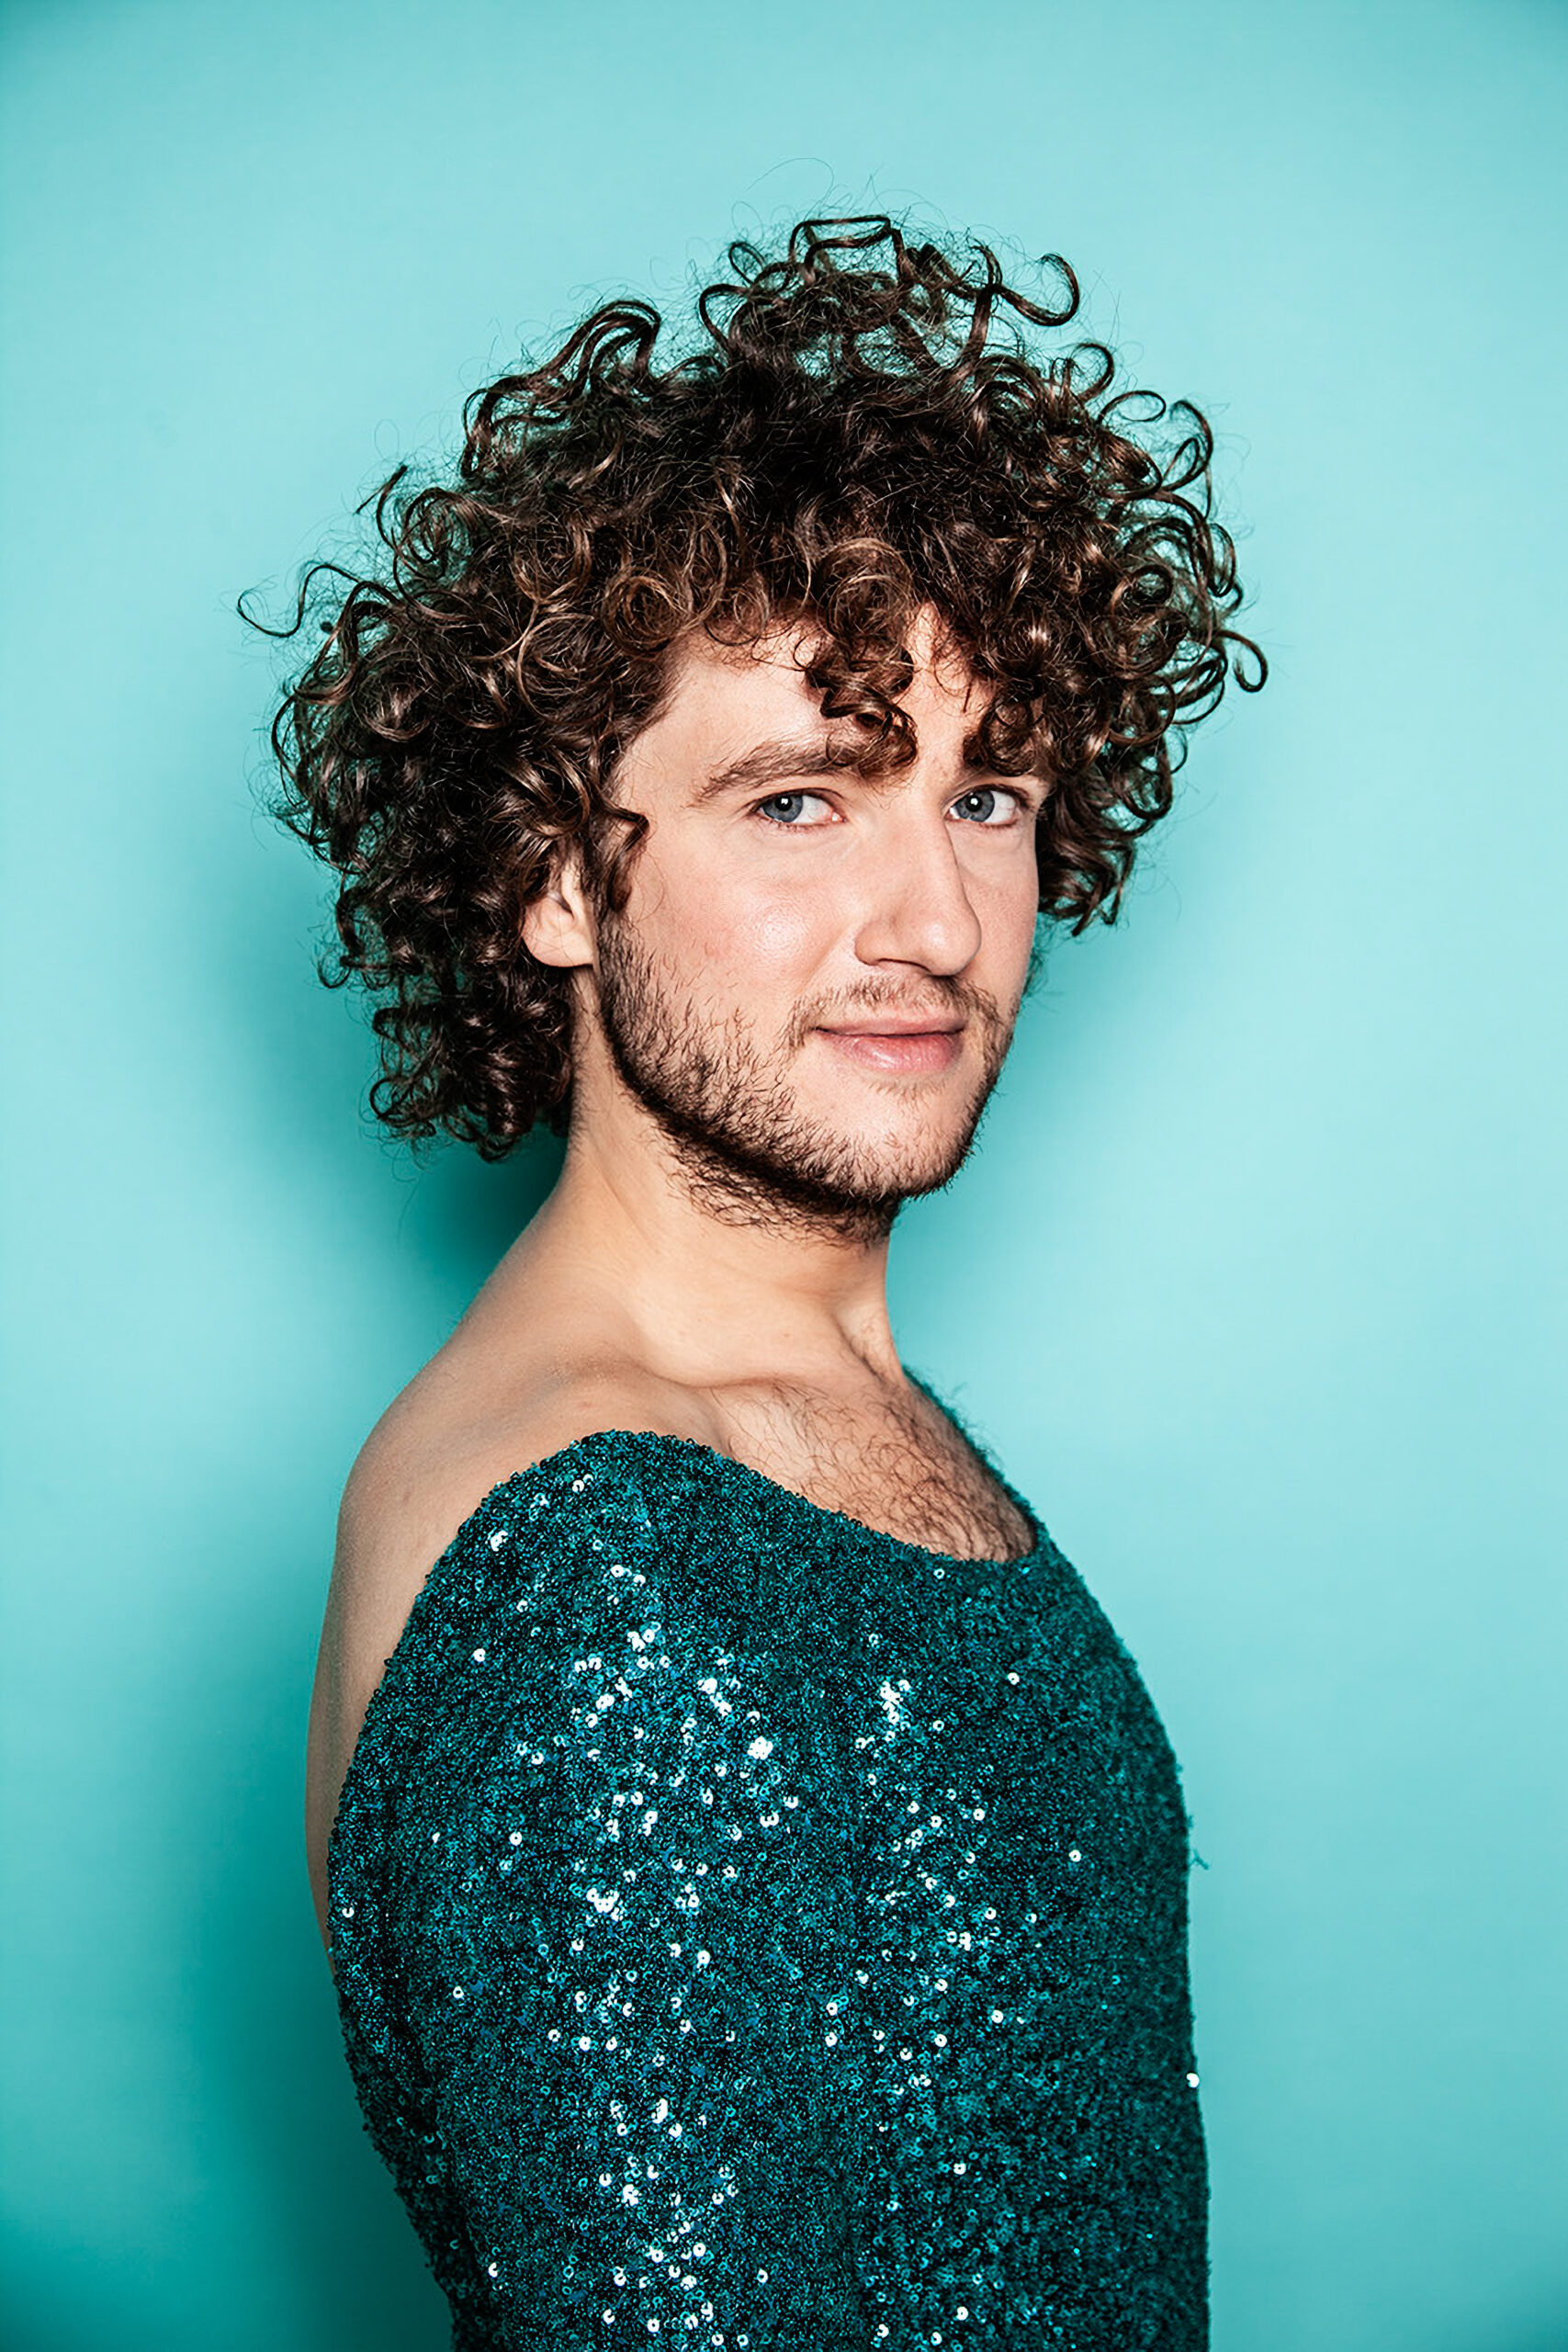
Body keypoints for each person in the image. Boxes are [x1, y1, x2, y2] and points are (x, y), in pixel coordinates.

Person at [265, 215, 1262, 2350]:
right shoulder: (598, 1559)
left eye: (981, 788)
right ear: (553, 874)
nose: (931, 914)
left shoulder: (817, 1410)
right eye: (799, 796)